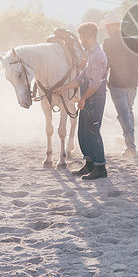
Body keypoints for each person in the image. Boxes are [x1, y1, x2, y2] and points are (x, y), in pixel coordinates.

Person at [54, 22, 108, 180]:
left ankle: (100, 167)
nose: (81, 42)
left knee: (93, 132)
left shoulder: (97, 56)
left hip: (94, 98)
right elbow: (81, 78)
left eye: (82, 39)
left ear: (88, 37)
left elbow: (95, 84)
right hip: (89, 97)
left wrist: (83, 98)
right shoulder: (92, 54)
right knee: (83, 132)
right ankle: (90, 163)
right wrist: (63, 88)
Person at [99, 12, 138, 158]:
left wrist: (103, 78)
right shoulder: (133, 41)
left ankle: (131, 146)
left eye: (107, 27)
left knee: (124, 115)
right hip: (133, 83)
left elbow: (106, 64)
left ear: (112, 26)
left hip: (117, 83)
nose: (106, 30)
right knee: (129, 112)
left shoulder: (108, 43)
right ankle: (129, 141)